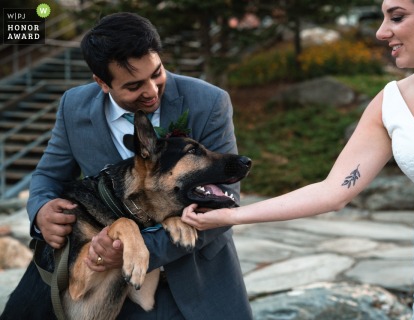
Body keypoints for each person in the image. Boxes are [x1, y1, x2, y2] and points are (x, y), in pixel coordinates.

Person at [182, 0, 414, 318]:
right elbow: (333, 191)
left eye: (397, 17)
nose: (381, 32)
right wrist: (231, 216)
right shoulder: (392, 103)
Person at [27, 12, 252, 320]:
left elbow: (227, 202)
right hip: (110, 298)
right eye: (134, 86)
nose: (152, 91)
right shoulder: (73, 106)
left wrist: (132, 249)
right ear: (102, 83)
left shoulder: (209, 101)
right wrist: (41, 211)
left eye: (157, 73)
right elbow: (47, 176)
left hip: (199, 284)